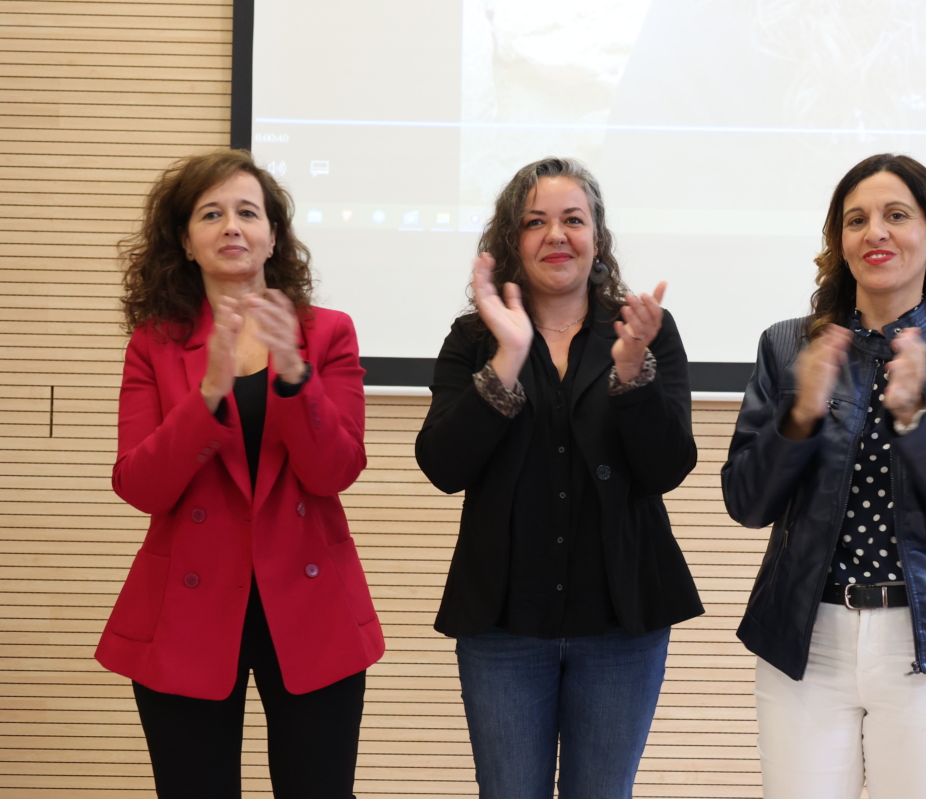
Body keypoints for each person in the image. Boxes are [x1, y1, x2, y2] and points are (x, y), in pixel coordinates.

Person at [721, 153, 926, 799]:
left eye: (896, 215)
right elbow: (746, 502)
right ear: (838, 242)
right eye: (855, 220)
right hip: (806, 637)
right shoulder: (786, 345)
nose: (873, 232)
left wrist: (918, 415)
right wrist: (799, 415)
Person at [95, 149, 384, 798]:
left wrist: (291, 376)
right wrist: (209, 394)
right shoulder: (155, 342)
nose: (231, 225)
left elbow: (334, 469)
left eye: (247, 212)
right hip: (186, 613)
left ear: (272, 237)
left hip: (311, 609)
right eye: (211, 213)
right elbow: (140, 484)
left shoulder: (327, 334)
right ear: (185, 242)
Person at [415, 157, 703, 798]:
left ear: (597, 237)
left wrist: (632, 376)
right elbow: (442, 466)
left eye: (573, 220)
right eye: (535, 221)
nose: (556, 235)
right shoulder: (474, 339)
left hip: (622, 621)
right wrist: (509, 359)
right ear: (510, 241)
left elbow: (668, 467)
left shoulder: (644, 332)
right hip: (503, 626)